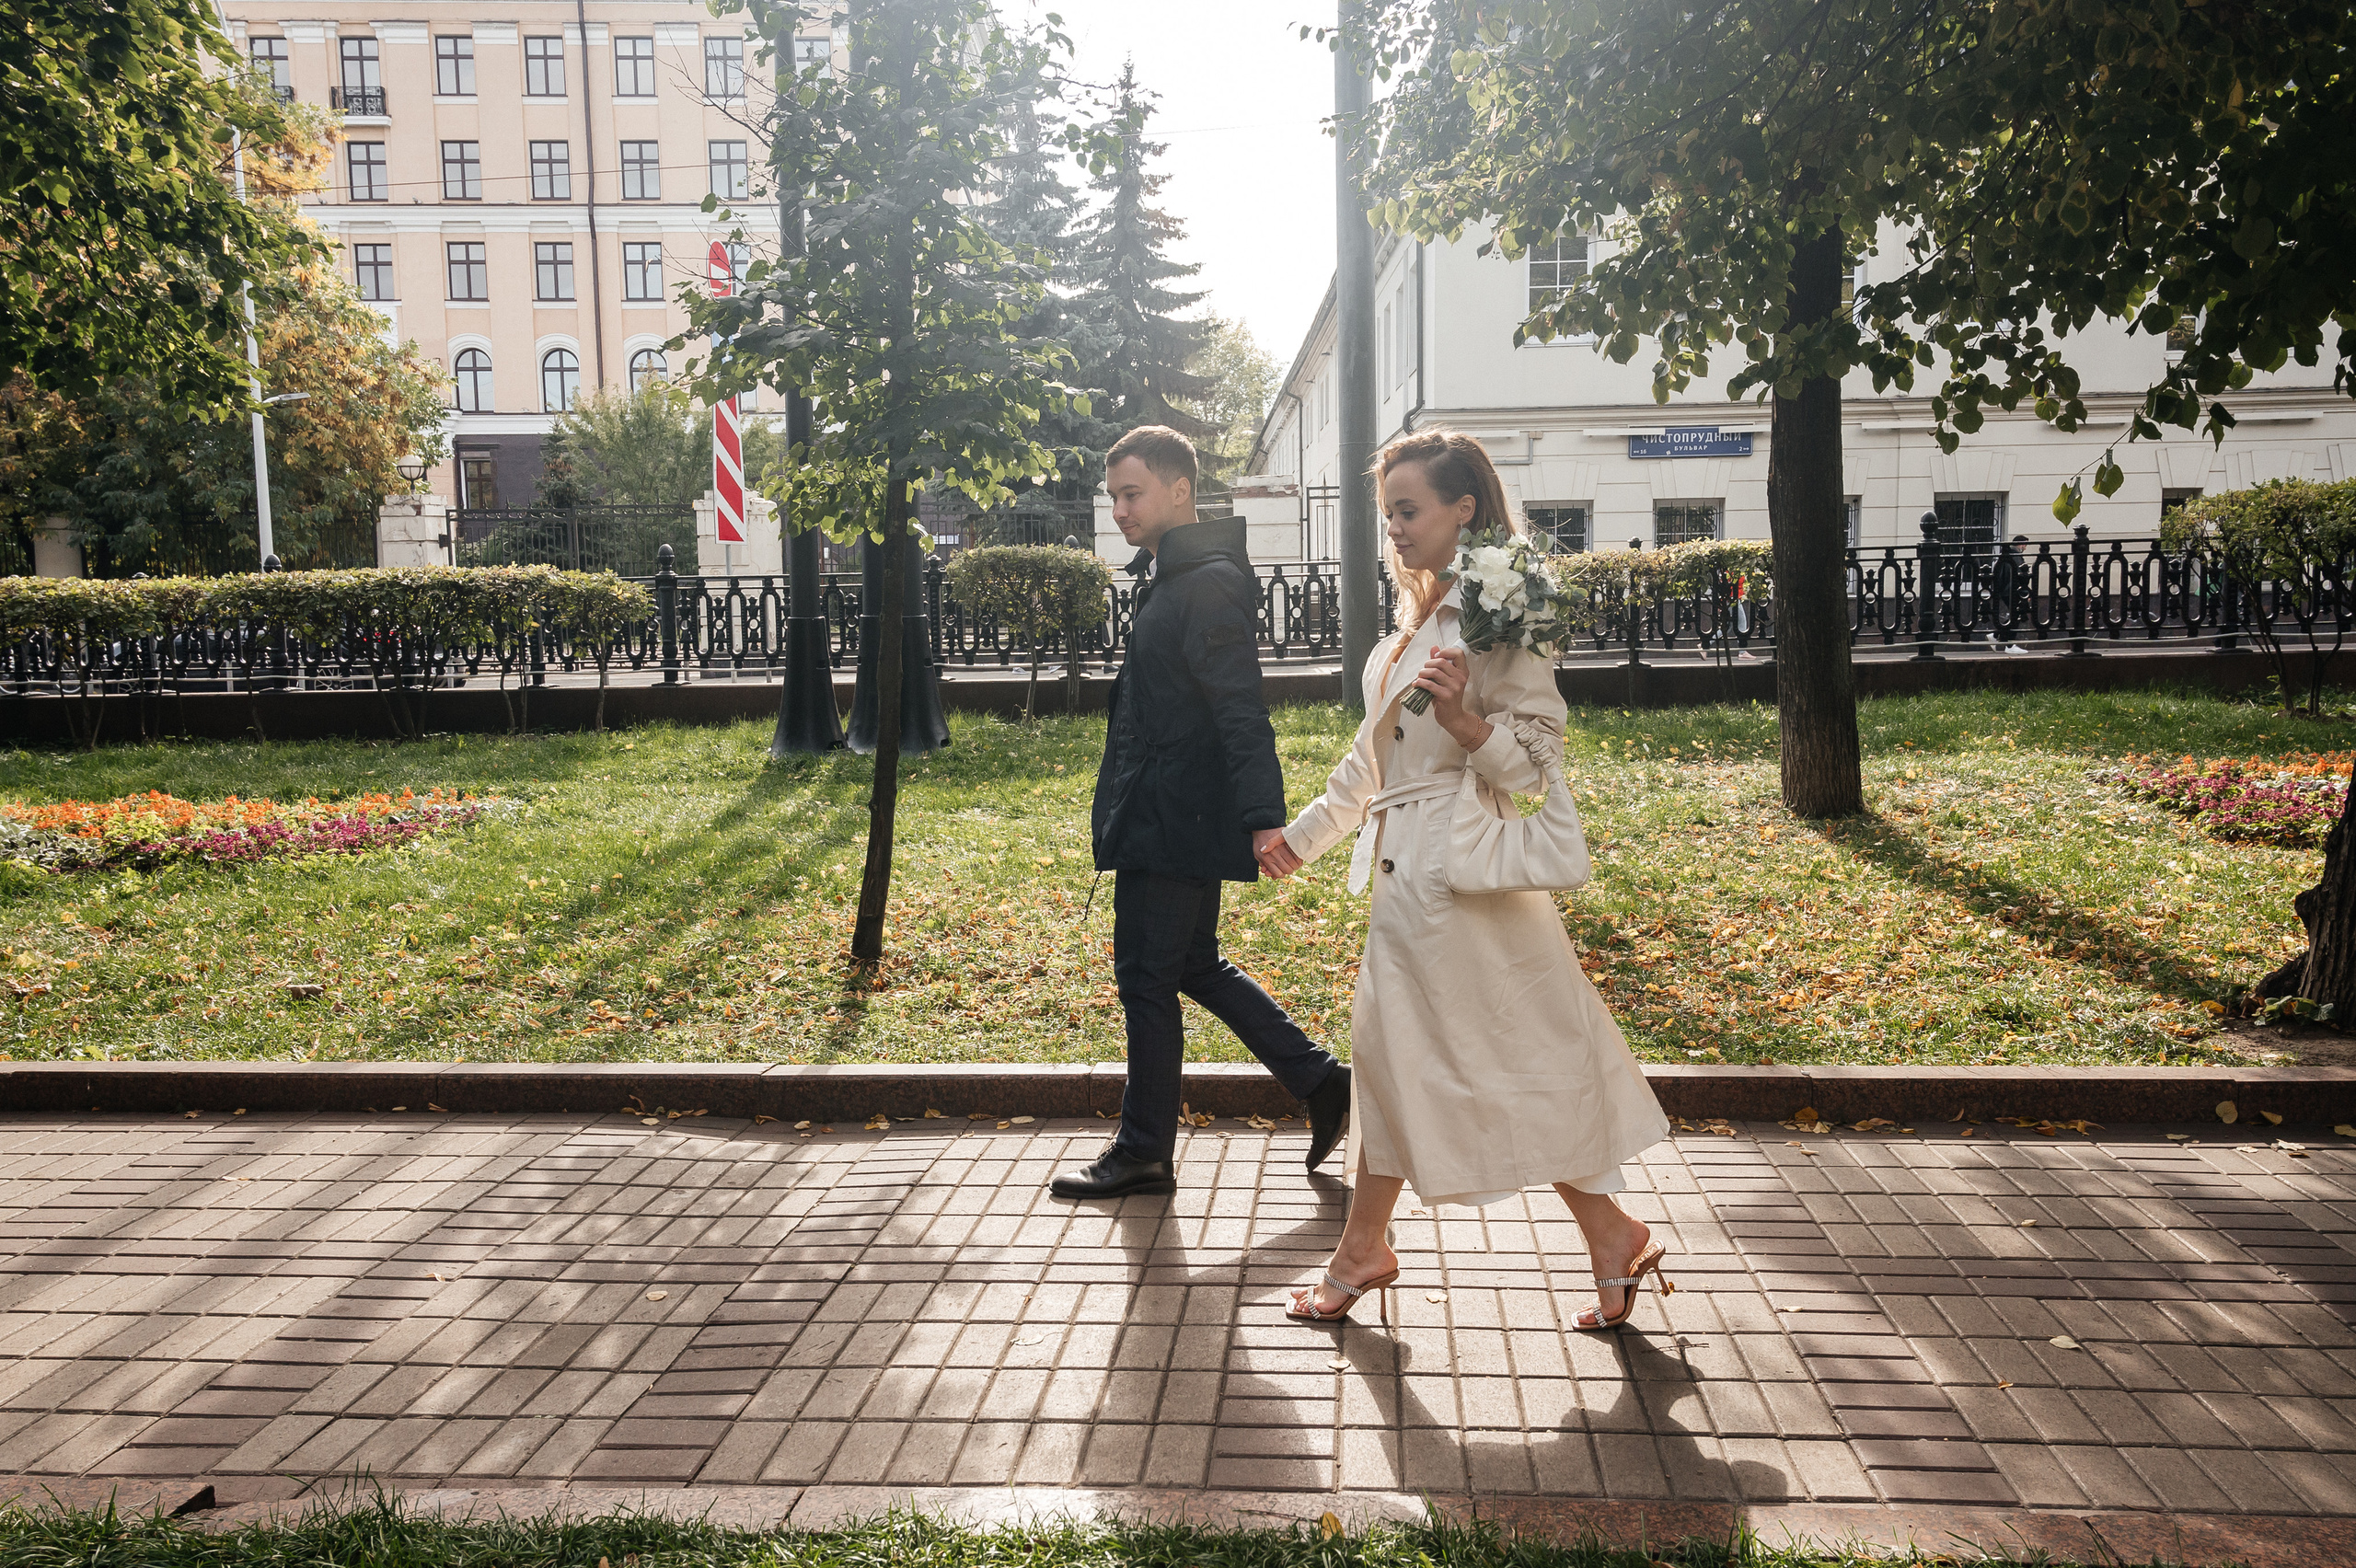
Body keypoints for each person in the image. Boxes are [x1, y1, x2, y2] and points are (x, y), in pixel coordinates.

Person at [1257, 429, 1673, 1332]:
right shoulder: (1414, 628)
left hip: (1454, 886)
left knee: (1462, 1062)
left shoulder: (1496, 621)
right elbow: (1366, 768)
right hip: (1408, 882)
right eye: (1387, 515)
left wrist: (1460, 715)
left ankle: (1379, 1250)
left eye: (1407, 511)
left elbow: (1535, 763)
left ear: (1463, 510)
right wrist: (1299, 840)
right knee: (1417, 1060)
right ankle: (1600, 1235)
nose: (1394, 530)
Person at [1050, 426, 1351, 1201]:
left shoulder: (1205, 581)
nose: (1120, 509)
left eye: (1132, 493)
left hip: (1174, 815)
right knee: (1188, 965)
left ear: (1180, 489)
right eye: (1113, 496)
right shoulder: (1172, 576)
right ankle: (1319, 1081)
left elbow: (1240, 709)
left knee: (1145, 979)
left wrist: (1263, 816)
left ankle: (1144, 1148)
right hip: (1160, 806)